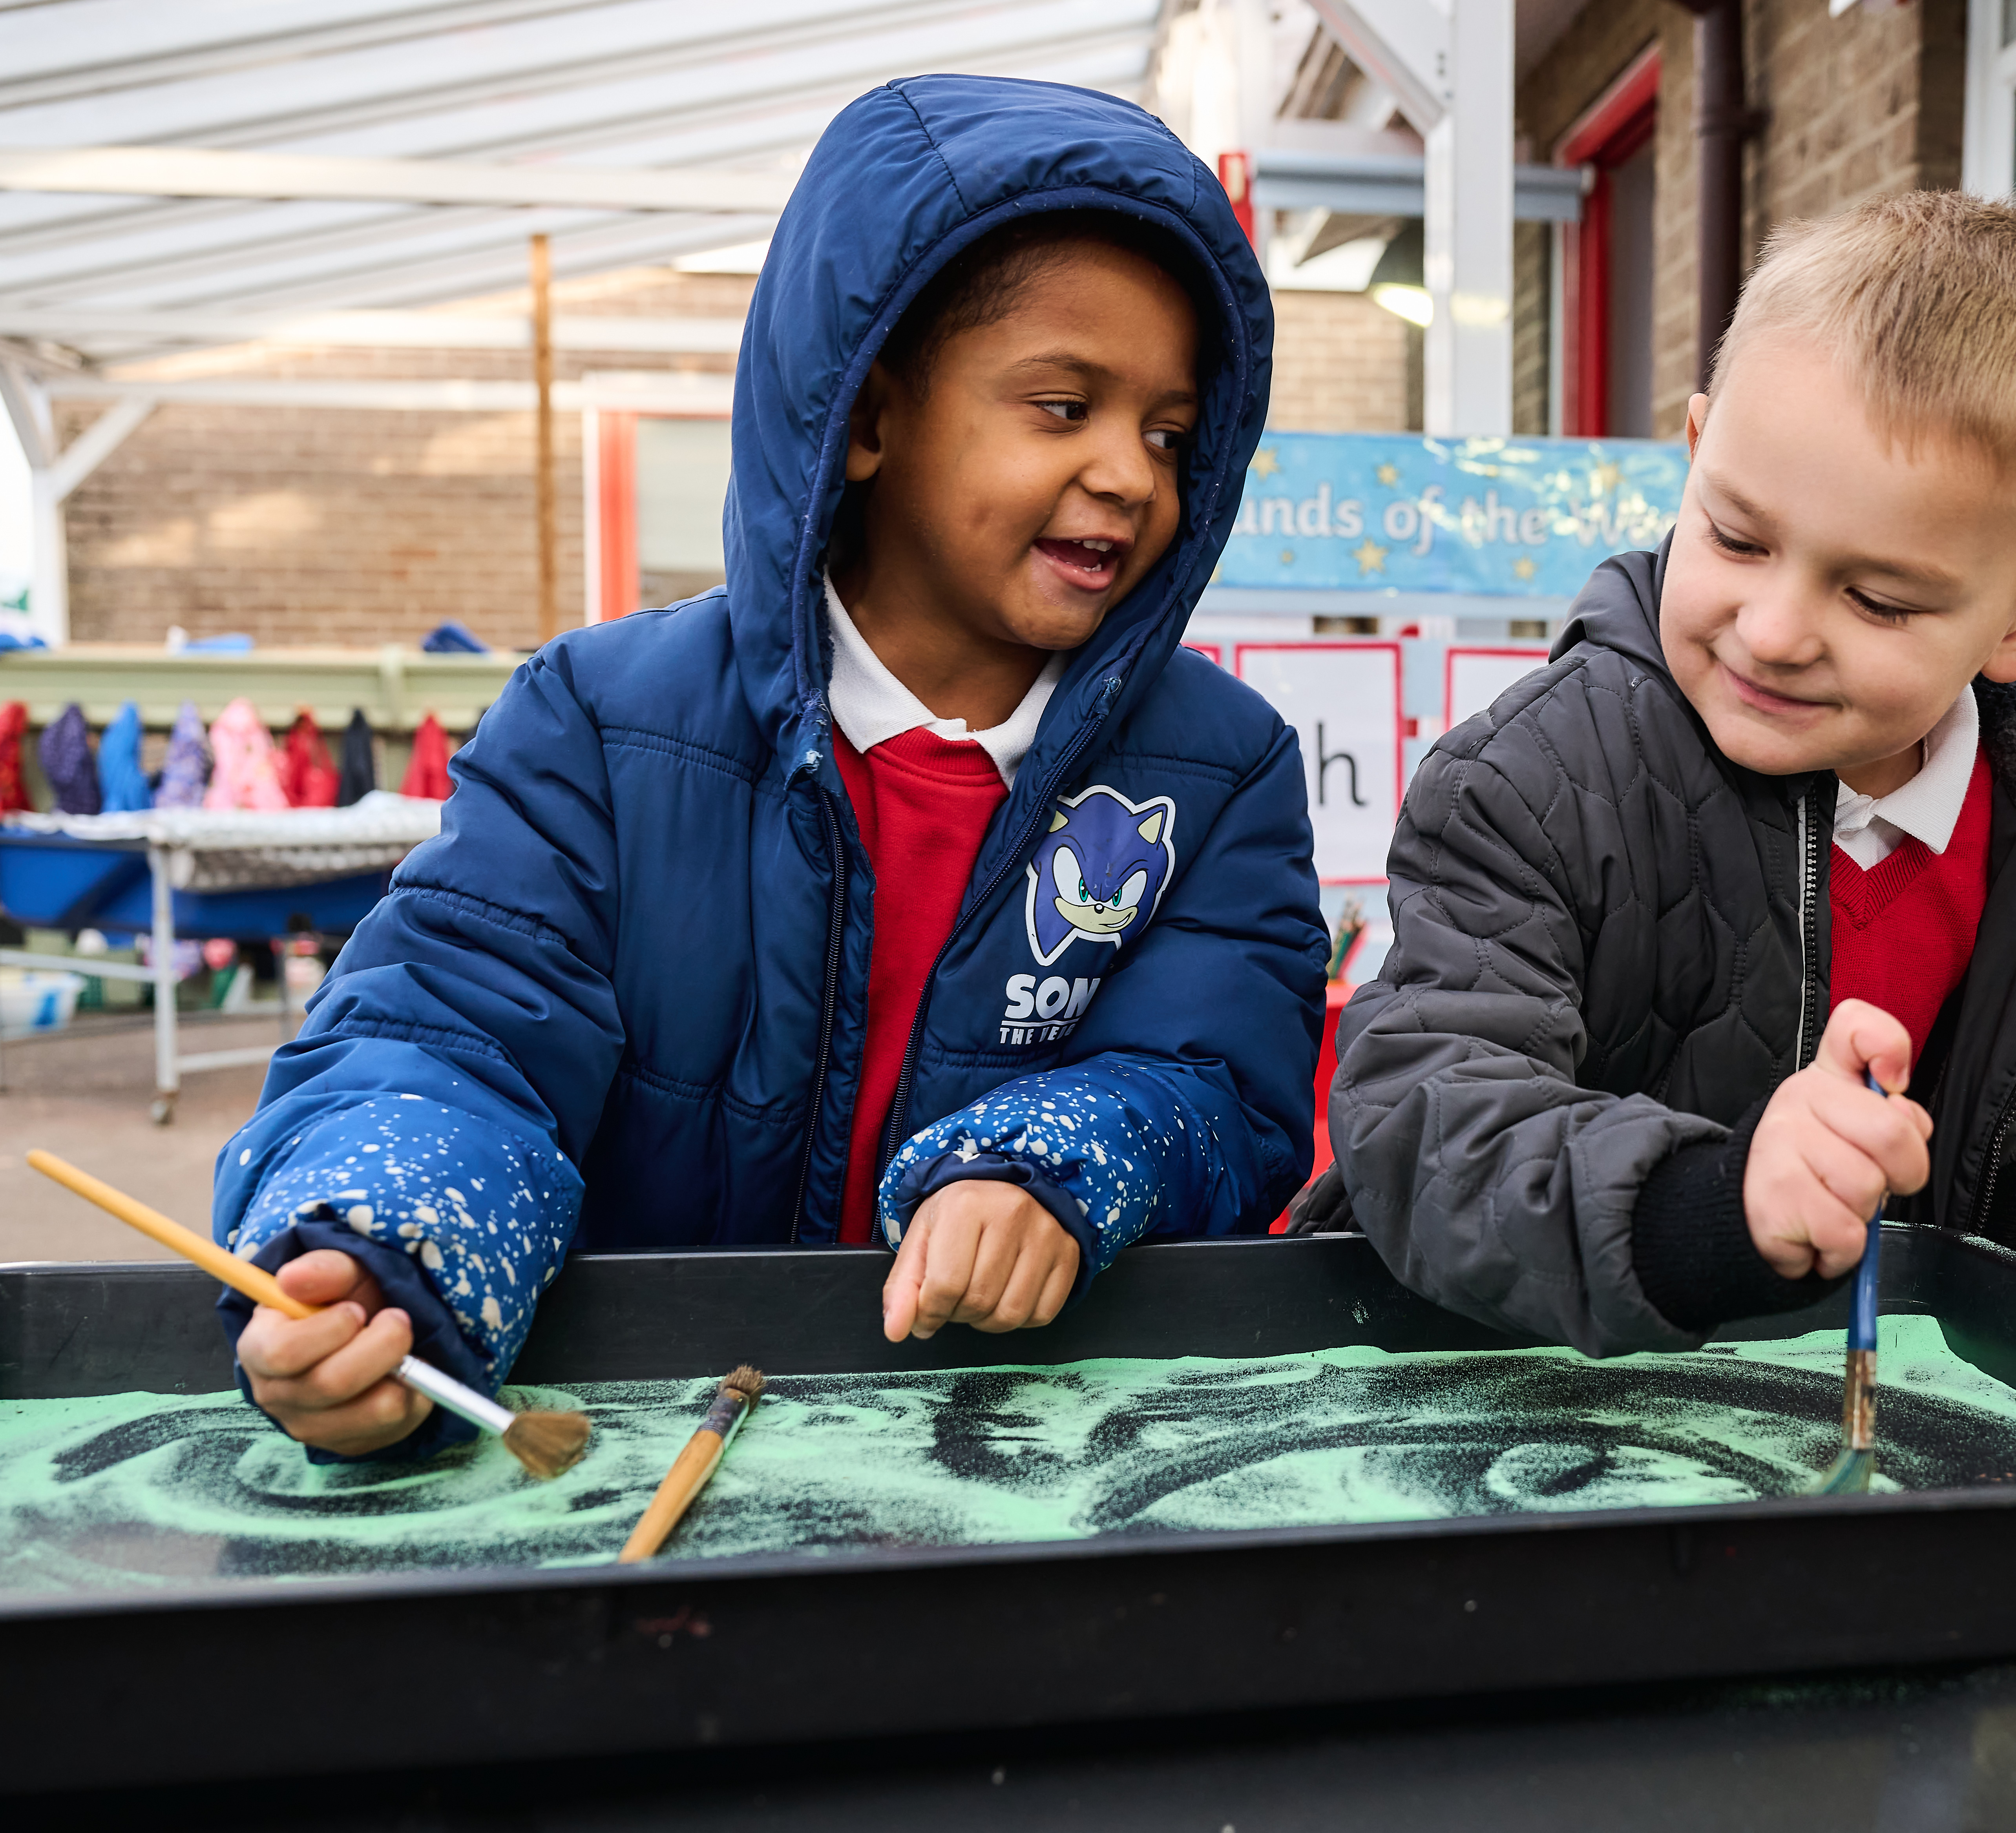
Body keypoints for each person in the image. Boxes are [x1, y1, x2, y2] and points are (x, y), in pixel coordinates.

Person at [215, 76, 1327, 1459]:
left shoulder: (1219, 771)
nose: (1129, 474)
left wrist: (1062, 1164)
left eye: (1170, 432)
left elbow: (1223, 1084)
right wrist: (390, 1256)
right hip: (625, 1445)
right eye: (1061, 406)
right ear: (865, 420)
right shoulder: (601, 722)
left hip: (1010, 1454)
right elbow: (447, 1032)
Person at [1305, 192, 2016, 1354]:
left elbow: (1959, 1111)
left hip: (1837, 1410)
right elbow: (1425, 1125)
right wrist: (1717, 1206)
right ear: (1697, 451)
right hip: (1513, 1385)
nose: (1772, 631)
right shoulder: (1531, 781)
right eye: (1737, 537)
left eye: (1876, 598)